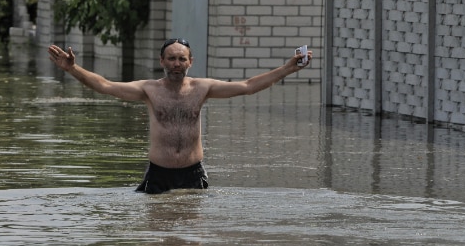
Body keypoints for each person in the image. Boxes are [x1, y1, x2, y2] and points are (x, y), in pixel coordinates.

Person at [48, 38, 313, 194]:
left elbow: (248, 86)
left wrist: (287, 68)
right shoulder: (148, 90)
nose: (177, 64)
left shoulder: (202, 88)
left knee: (192, 233)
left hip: (192, 173)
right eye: (171, 59)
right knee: (157, 231)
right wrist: (72, 69)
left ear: (190, 62)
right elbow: (105, 86)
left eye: (182, 59)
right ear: (162, 61)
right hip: (158, 174)